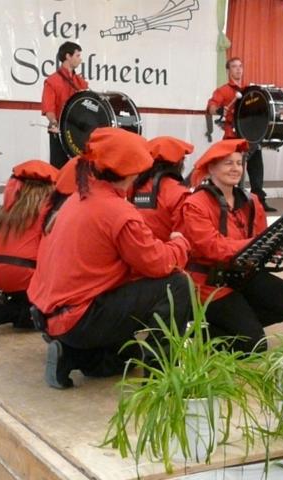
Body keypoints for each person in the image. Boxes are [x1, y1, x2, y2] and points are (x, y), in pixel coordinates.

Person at [27, 127, 192, 389]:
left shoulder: (79, 197)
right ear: (134, 170)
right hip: (81, 317)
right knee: (178, 285)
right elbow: (158, 264)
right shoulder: (118, 211)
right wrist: (180, 244)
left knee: (124, 358)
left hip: (52, 316)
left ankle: (70, 355)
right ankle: (160, 375)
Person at [178, 139, 283, 353]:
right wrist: (260, 243)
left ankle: (235, 327)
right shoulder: (195, 204)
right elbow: (213, 248)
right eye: (228, 163)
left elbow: (262, 246)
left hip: (242, 276)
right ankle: (197, 335)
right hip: (210, 283)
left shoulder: (251, 200)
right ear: (211, 168)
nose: (236, 168)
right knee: (253, 345)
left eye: (239, 163)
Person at [0, 160, 58, 328]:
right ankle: (25, 312)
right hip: (26, 273)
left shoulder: (8, 209)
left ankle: (12, 307)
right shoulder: (47, 210)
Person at [207, 57, 276, 212]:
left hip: (250, 136)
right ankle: (234, 202)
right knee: (235, 172)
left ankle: (259, 201)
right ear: (228, 70)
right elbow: (211, 106)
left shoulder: (248, 91)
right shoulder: (223, 91)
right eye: (234, 66)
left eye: (240, 66)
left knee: (256, 170)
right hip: (233, 137)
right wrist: (219, 110)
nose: (238, 69)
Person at [130, 136, 193, 241]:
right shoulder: (180, 193)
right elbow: (184, 236)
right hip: (167, 249)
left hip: (136, 247)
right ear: (179, 163)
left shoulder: (134, 187)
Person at [41, 41, 89, 169]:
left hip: (78, 133)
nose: (80, 59)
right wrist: (54, 122)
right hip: (60, 131)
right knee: (59, 169)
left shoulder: (81, 82)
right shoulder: (52, 81)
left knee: (78, 171)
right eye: (77, 56)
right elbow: (49, 109)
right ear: (68, 56)